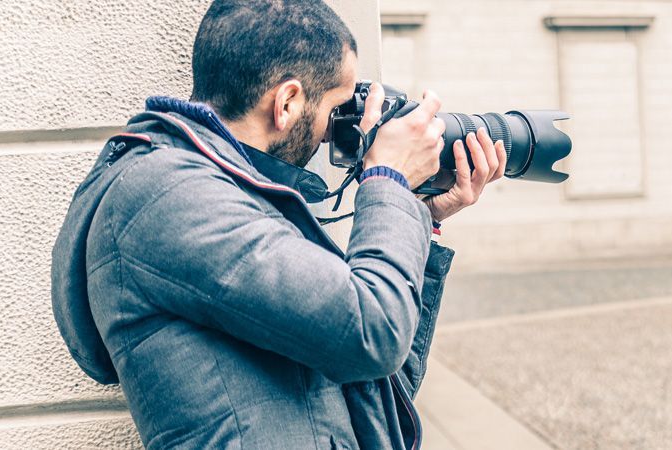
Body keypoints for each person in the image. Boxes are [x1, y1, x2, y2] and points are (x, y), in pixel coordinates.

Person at [49, 1, 505, 448]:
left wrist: (420, 218)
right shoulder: (169, 196)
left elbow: (377, 390)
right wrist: (389, 179)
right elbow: (373, 333)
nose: (335, 131)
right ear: (287, 102)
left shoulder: (234, 194)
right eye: (335, 108)